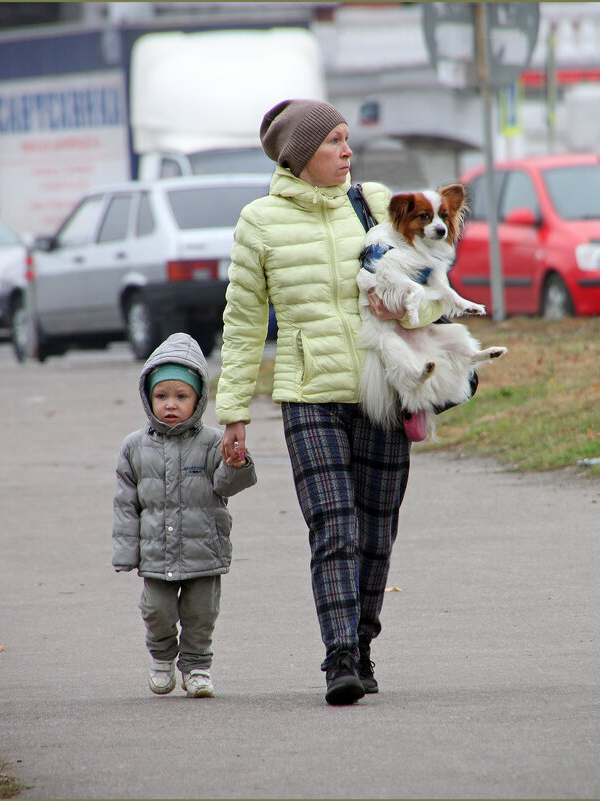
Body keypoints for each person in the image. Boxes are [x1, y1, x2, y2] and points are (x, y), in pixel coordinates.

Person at [216, 99, 446, 705]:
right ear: (300, 154)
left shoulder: (371, 201)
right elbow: (243, 323)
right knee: (334, 526)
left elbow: (431, 273)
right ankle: (340, 655)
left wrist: (411, 306)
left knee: (376, 532)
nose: (348, 151)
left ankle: (364, 642)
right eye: (334, 142)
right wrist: (232, 412)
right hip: (308, 396)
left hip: (383, 392)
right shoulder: (258, 222)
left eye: (348, 139)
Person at [112, 332, 257, 698]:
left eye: (181, 396)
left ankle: (196, 667)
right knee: (157, 611)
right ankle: (162, 657)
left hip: (203, 549)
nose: (171, 405)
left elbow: (226, 486)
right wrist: (126, 552)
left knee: (200, 616)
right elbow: (126, 504)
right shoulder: (134, 447)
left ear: (199, 398)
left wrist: (235, 463)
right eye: (161, 396)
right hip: (156, 551)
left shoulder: (211, 442)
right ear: (148, 397)